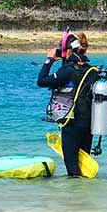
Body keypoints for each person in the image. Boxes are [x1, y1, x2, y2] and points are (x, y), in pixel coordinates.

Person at [36, 32, 99, 177]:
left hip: (72, 122)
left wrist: (49, 60)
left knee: (72, 165)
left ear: (69, 50)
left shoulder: (68, 71)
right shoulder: (92, 70)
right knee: (83, 162)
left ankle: (73, 196)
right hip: (89, 122)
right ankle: (82, 196)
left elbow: (41, 81)